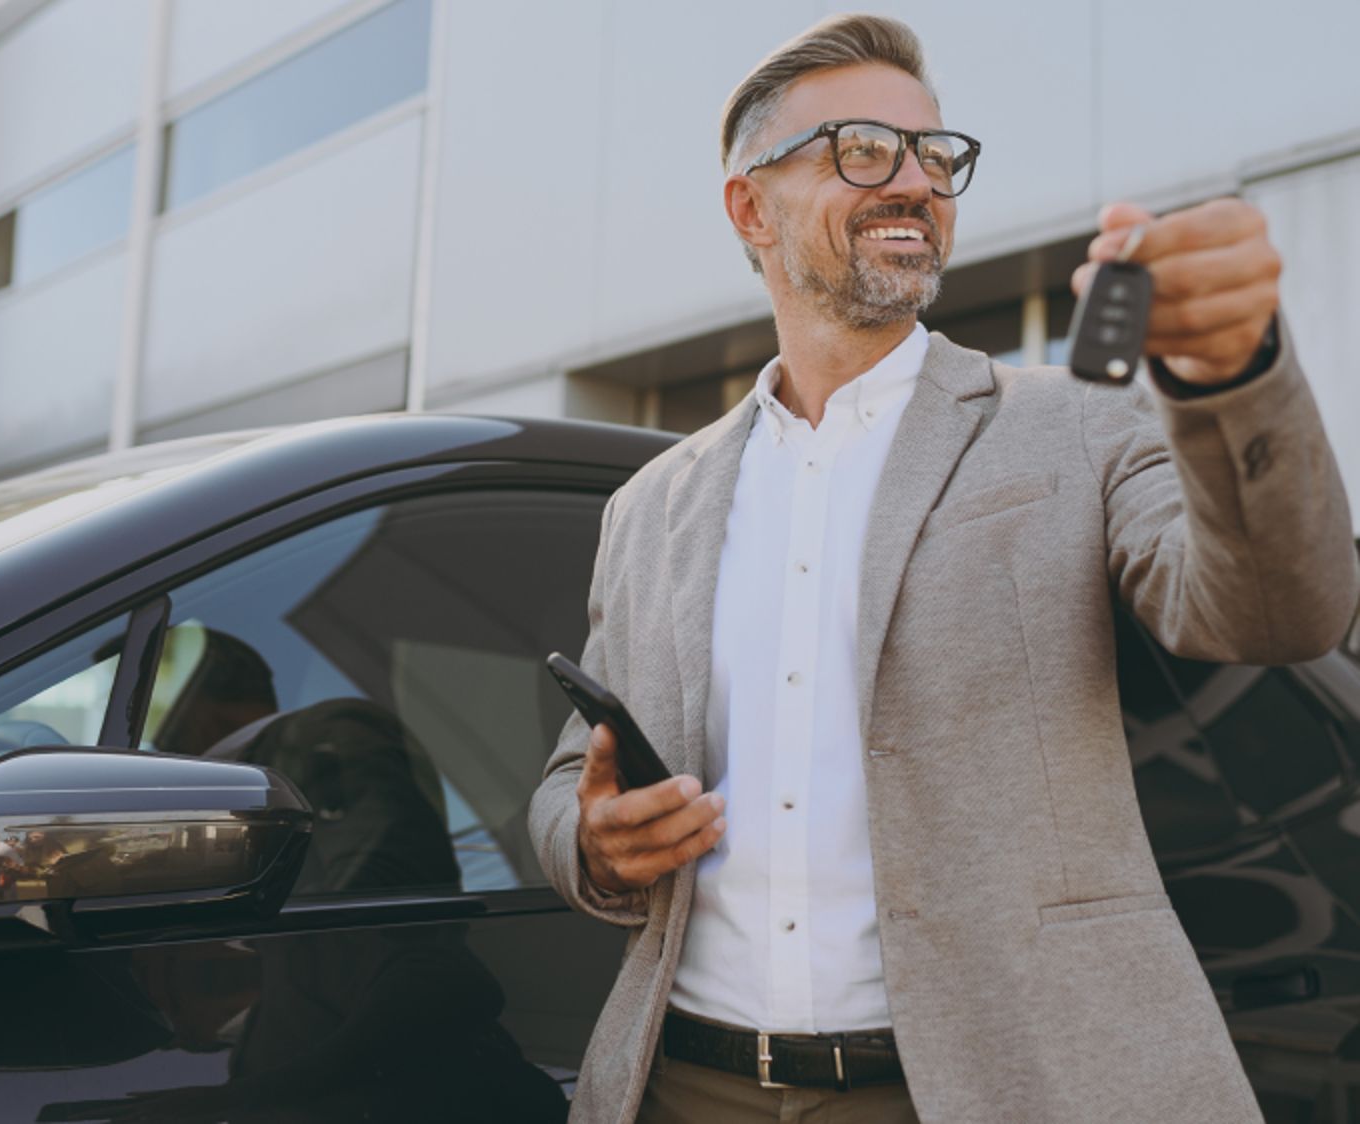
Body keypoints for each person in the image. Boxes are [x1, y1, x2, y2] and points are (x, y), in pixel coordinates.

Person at [528, 13, 1358, 1124]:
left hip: (990, 1083)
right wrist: (591, 839)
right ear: (750, 206)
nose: (913, 180)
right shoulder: (651, 506)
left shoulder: (1077, 423)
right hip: (688, 1081)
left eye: (935, 155)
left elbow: (1278, 608)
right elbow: (567, 777)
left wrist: (1237, 374)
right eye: (863, 149)